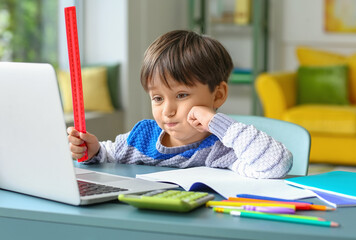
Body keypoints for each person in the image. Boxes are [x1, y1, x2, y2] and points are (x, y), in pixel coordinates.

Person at [67, 30, 292, 179]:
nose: (168, 110)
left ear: (218, 94)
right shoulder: (140, 137)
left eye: (182, 95)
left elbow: (276, 164)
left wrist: (216, 123)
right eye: (157, 98)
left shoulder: (219, 148)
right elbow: (108, 155)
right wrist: (93, 150)